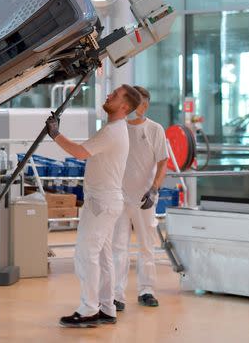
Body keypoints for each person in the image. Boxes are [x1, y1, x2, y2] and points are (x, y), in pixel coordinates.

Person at [46, 84, 143, 328]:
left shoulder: (112, 131)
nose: (109, 95)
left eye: (115, 95)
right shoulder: (114, 129)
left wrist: (55, 134)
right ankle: (107, 308)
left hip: (101, 203)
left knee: (85, 253)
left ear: (124, 107)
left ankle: (89, 309)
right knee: (101, 256)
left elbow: (80, 152)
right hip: (107, 201)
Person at [112, 86, 168, 310]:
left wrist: (154, 189)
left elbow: (163, 161)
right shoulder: (118, 128)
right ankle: (116, 295)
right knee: (118, 246)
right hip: (119, 197)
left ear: (145, 105)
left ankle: (147, 290)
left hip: (145, 196)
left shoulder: (155, 129)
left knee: (146, 245)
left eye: (140, 103)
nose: (136, 107)